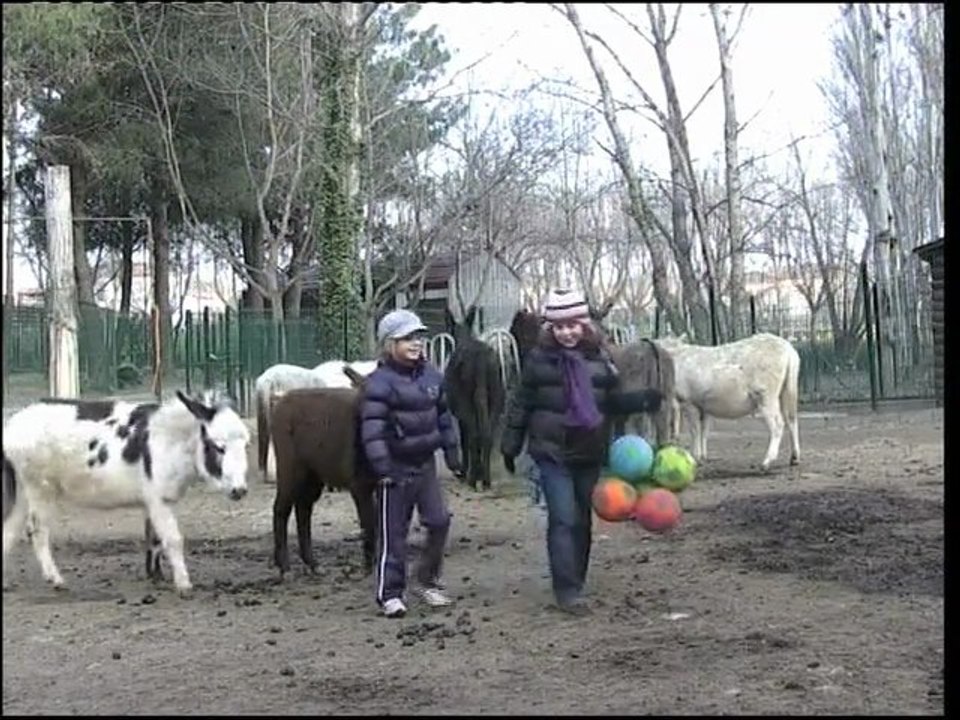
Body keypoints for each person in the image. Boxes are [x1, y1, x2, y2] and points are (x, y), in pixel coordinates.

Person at [500, 289, 663, 616]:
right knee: (562, 518)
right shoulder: (537, 361)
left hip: (588, 452)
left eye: (572, 325)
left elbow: (611, 403)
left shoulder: (601, 359)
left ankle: (577, 576)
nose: (566, 333)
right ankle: (567, 590)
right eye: (558, 327)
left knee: (582, 520)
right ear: (550, 329)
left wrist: (643, 399)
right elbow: (520, 403)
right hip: (551, 451)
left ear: (584, 325)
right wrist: (510, 442)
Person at [360, 308, 462, 618]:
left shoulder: (432, 377)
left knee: (440, 521)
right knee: (394, 534)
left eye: (418, 337)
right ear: (389, 344)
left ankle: (427, 580)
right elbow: (372, 431)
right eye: (407, 339)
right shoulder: (379, 383)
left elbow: (444, 416)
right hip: (394, 469)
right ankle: (390, 593)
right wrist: (383, 467)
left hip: (425, 464)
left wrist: (453, 451)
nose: (416, 344)